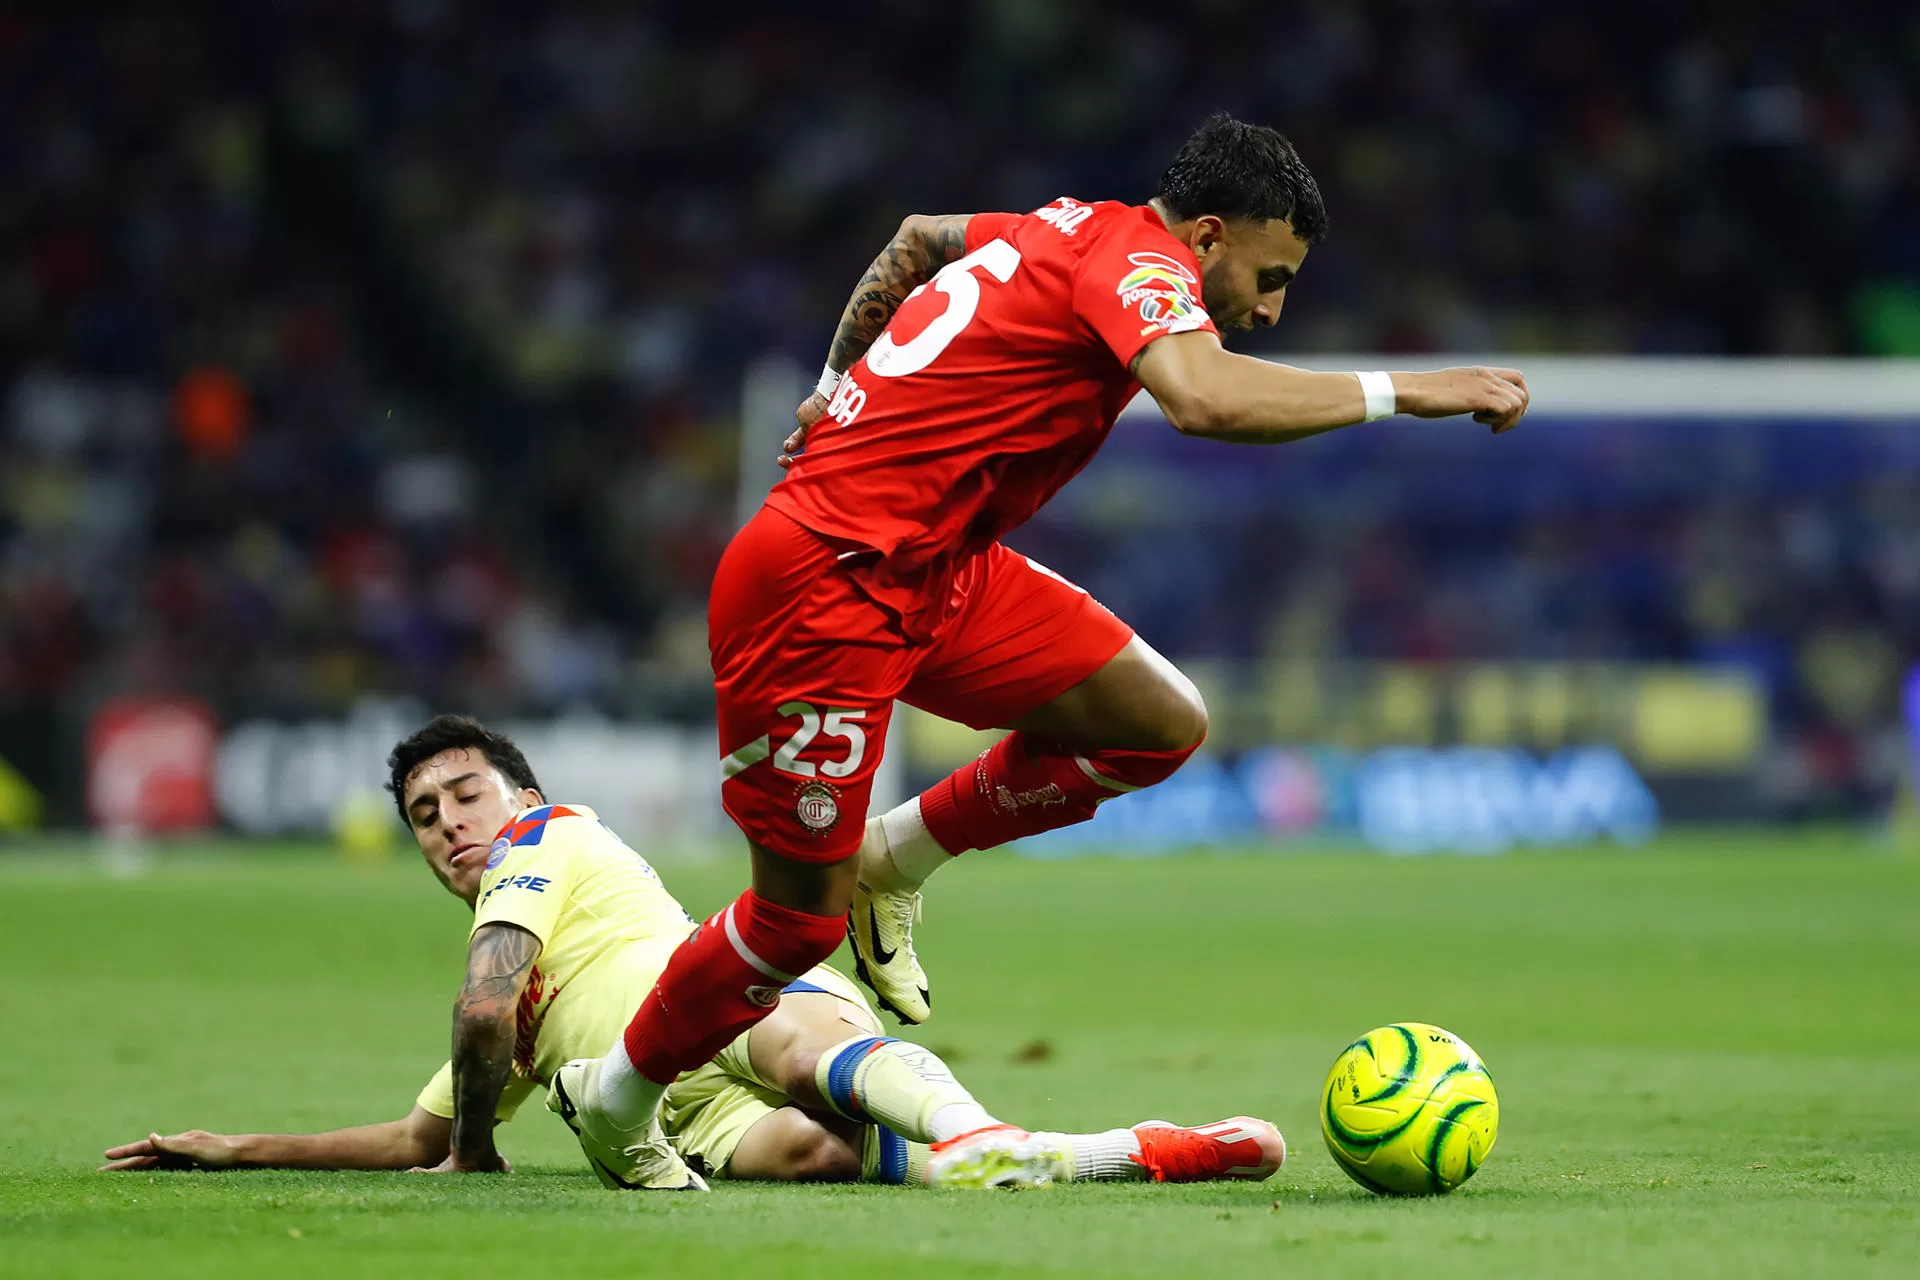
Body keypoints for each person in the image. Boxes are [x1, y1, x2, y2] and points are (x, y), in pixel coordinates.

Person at [557, 112, 1530, 1190]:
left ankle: (897, 857)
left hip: (938, 568)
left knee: (1157, 724)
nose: (1271, 307)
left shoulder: (1067, 225)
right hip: (824, 583)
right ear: (1207, 236)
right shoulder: (1135, 259)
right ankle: (617, 1096)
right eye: (1271, 273)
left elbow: (921, 239)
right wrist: (1412, 391)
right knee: (793, 921)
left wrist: (836, 384)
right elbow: (1202, 398)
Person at [100, 715, 1285, 1191]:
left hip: (719, 998)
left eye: (464, 793)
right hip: (688, 1117)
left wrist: (476, 1151)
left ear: (522, 795)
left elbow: (475, 1024)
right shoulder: (525, 997)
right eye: (425, 813)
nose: (449, 821)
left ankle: (982, 1132)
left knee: (788, 1025)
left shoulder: (544, 837)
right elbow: (419, 1131)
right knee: (817, 1155)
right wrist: (234, 1147)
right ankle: (1091, 1154)